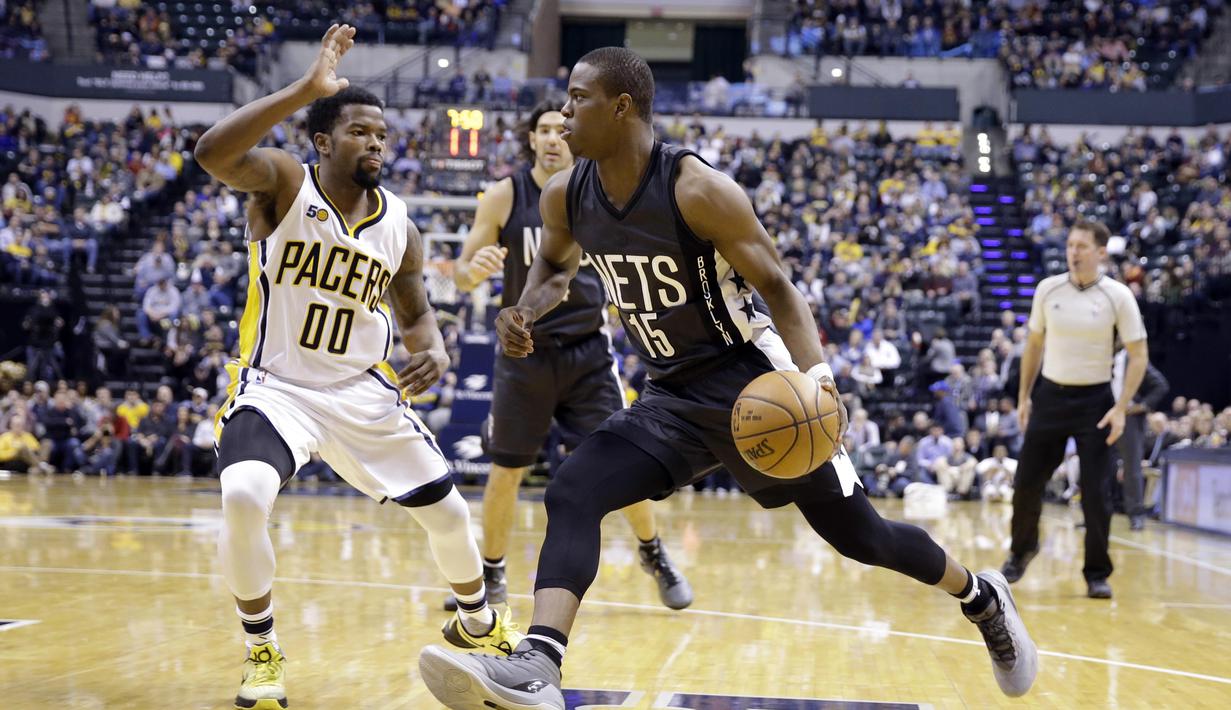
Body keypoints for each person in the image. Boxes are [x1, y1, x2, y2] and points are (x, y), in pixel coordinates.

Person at [418, 47, 1036, 710]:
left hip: (753, 385)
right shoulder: (566, 193)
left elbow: (777, 286)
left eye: (577, 98)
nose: (563, 112)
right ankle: (538, 665)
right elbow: (555, 270)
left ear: (620, 106)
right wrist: (525, 310)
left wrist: (821, 381)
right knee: (572, 490)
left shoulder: (694, 188)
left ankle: (979, 596)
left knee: (862, 538)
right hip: (671, 394)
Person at [193, 25, 521, 710]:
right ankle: (261, 647)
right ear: (323, 141)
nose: (375, 143)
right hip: (277, 387)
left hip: (361, 391)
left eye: (382, 134)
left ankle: (478, 624)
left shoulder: (399, 221)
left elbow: (413, 309)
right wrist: (306, 91)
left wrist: (429, 346)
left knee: (448, 516)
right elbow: (211, 153)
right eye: (360, 132)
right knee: (244, 495)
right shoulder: (283, 183)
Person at [450, 100, 691, 612]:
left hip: (586, 350)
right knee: (505, 470)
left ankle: (654, 553)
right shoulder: (504, 195)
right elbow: (462, 272)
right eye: (544, 131)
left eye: (562, 130)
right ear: (531, 139)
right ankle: (492, 575)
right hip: (524, 352)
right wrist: (478, 270)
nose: (555, 138)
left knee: (623, 464)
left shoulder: (597, 189)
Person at [1003, 220, 1148, 600]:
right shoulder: (1048, 289)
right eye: (1070, 244)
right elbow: (1033, 346)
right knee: (1026, 483)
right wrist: (1024, 397)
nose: (1074, 251)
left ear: (1101, 252)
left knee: (1098, 494)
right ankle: (1021, 551)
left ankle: (1097, 572)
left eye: (1082, 245)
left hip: (1096, 402)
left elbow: (1139, 355)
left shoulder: (1118, 296)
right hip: (1051, 396)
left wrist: (1120, 407)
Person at [1111, 345, 1169, 531]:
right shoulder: (1101, 354)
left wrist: (1142, 406)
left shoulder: (1132, 357)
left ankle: (1136, 515)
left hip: (1129, 418)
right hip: (1104, 416)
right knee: (1098, 465)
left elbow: (1160, 384)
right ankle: (1095, 512)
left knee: (1132, 467)